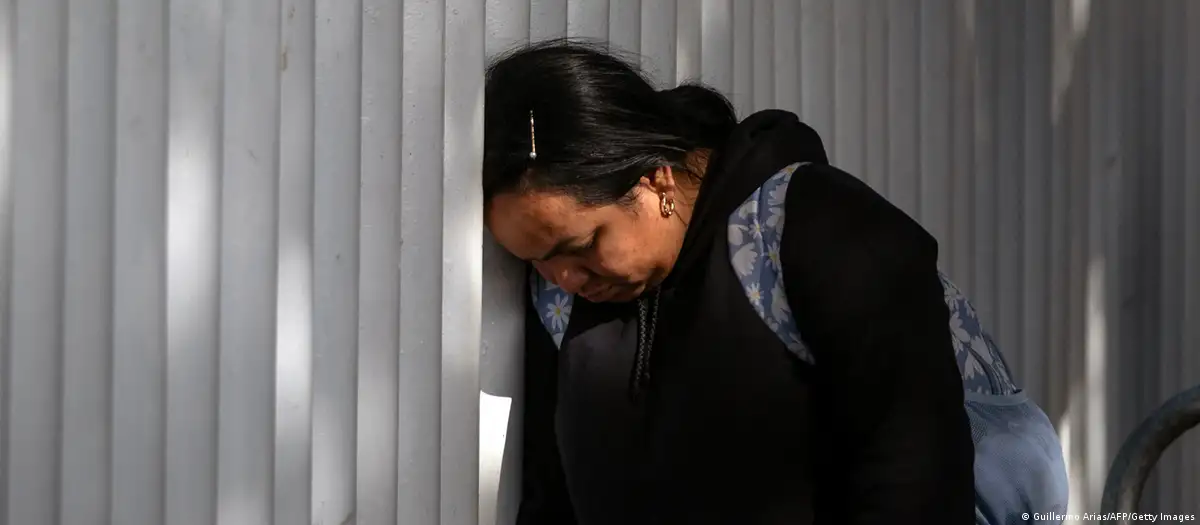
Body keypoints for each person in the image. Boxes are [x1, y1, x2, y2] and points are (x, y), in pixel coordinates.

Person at [483, 40, 1068, 525]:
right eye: (535, 260)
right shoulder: (558, 300)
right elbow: (551, 495)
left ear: (655, 181)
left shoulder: (805, 230)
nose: (562, 278)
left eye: (581, 245)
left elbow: (914, 472)